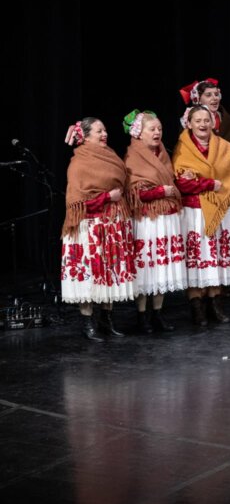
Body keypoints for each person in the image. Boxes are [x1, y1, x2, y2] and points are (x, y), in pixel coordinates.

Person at [173, 105, 230, 326]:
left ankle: (215, 303)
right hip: (194, 212)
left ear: (213, 123)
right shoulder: (183, 148)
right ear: (189, 123)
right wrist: (210, 183)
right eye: (198, 120)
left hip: (221, 209)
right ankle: (196, 307)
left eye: (206, 120)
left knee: (217, 259)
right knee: (197, 260)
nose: (203, 124)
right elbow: (182, 183)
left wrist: (208, 183)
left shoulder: (222, 147)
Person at [60, 117, 137, 341]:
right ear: (85, 136)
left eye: (104, 130)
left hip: (112, 224)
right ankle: (88, 323)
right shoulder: (79, 163)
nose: (104, 134)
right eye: (98, 131)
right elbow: (76, 203)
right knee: (90, 276)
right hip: (89, 228)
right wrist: (106, 197)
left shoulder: (110, 156)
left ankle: (107, 319)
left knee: (109, 273)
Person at [123, 110, 184, 333]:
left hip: (167, 217)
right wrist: (160, 191)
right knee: (146, 268)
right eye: (152, 129)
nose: (157, 132)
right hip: (147, 219)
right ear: (140, 133)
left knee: (163, 266)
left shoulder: (163, 154)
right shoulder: (132, 156)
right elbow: (133, 192)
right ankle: (141, 316)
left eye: (159, 128)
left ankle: (157, 314)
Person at [179, 78, 230, 146]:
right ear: (198, 100)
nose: (215, 98)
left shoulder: (227, 120)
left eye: (216, 94)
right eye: (208, 95)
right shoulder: (188, 121)